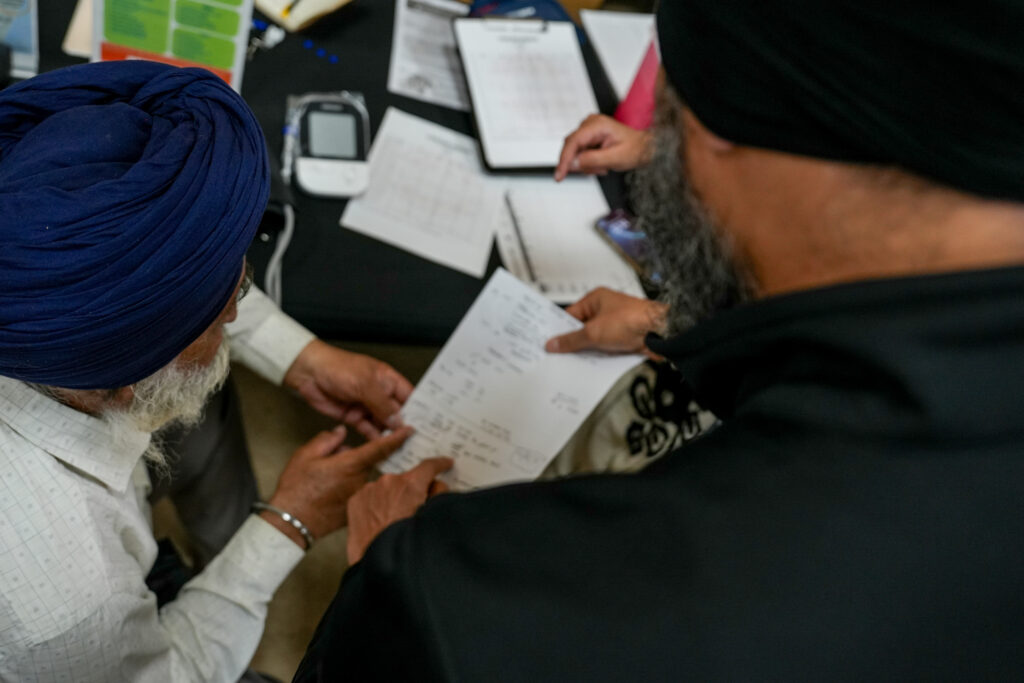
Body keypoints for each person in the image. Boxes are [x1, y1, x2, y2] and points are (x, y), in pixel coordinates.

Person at [294, 0, 1024, 679]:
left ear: (717, 131)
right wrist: (660, 325)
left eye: (668, 123)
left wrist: (379, 564)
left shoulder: (462, 597)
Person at [0, 61, 443, 682]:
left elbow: (164, 273)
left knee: (206, 406)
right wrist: (290, 522)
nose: (240, 308)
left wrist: (307, 360)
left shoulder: (39, 282)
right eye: (228, 302)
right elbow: (170, 675)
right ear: (133, 373)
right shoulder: (67, 601)